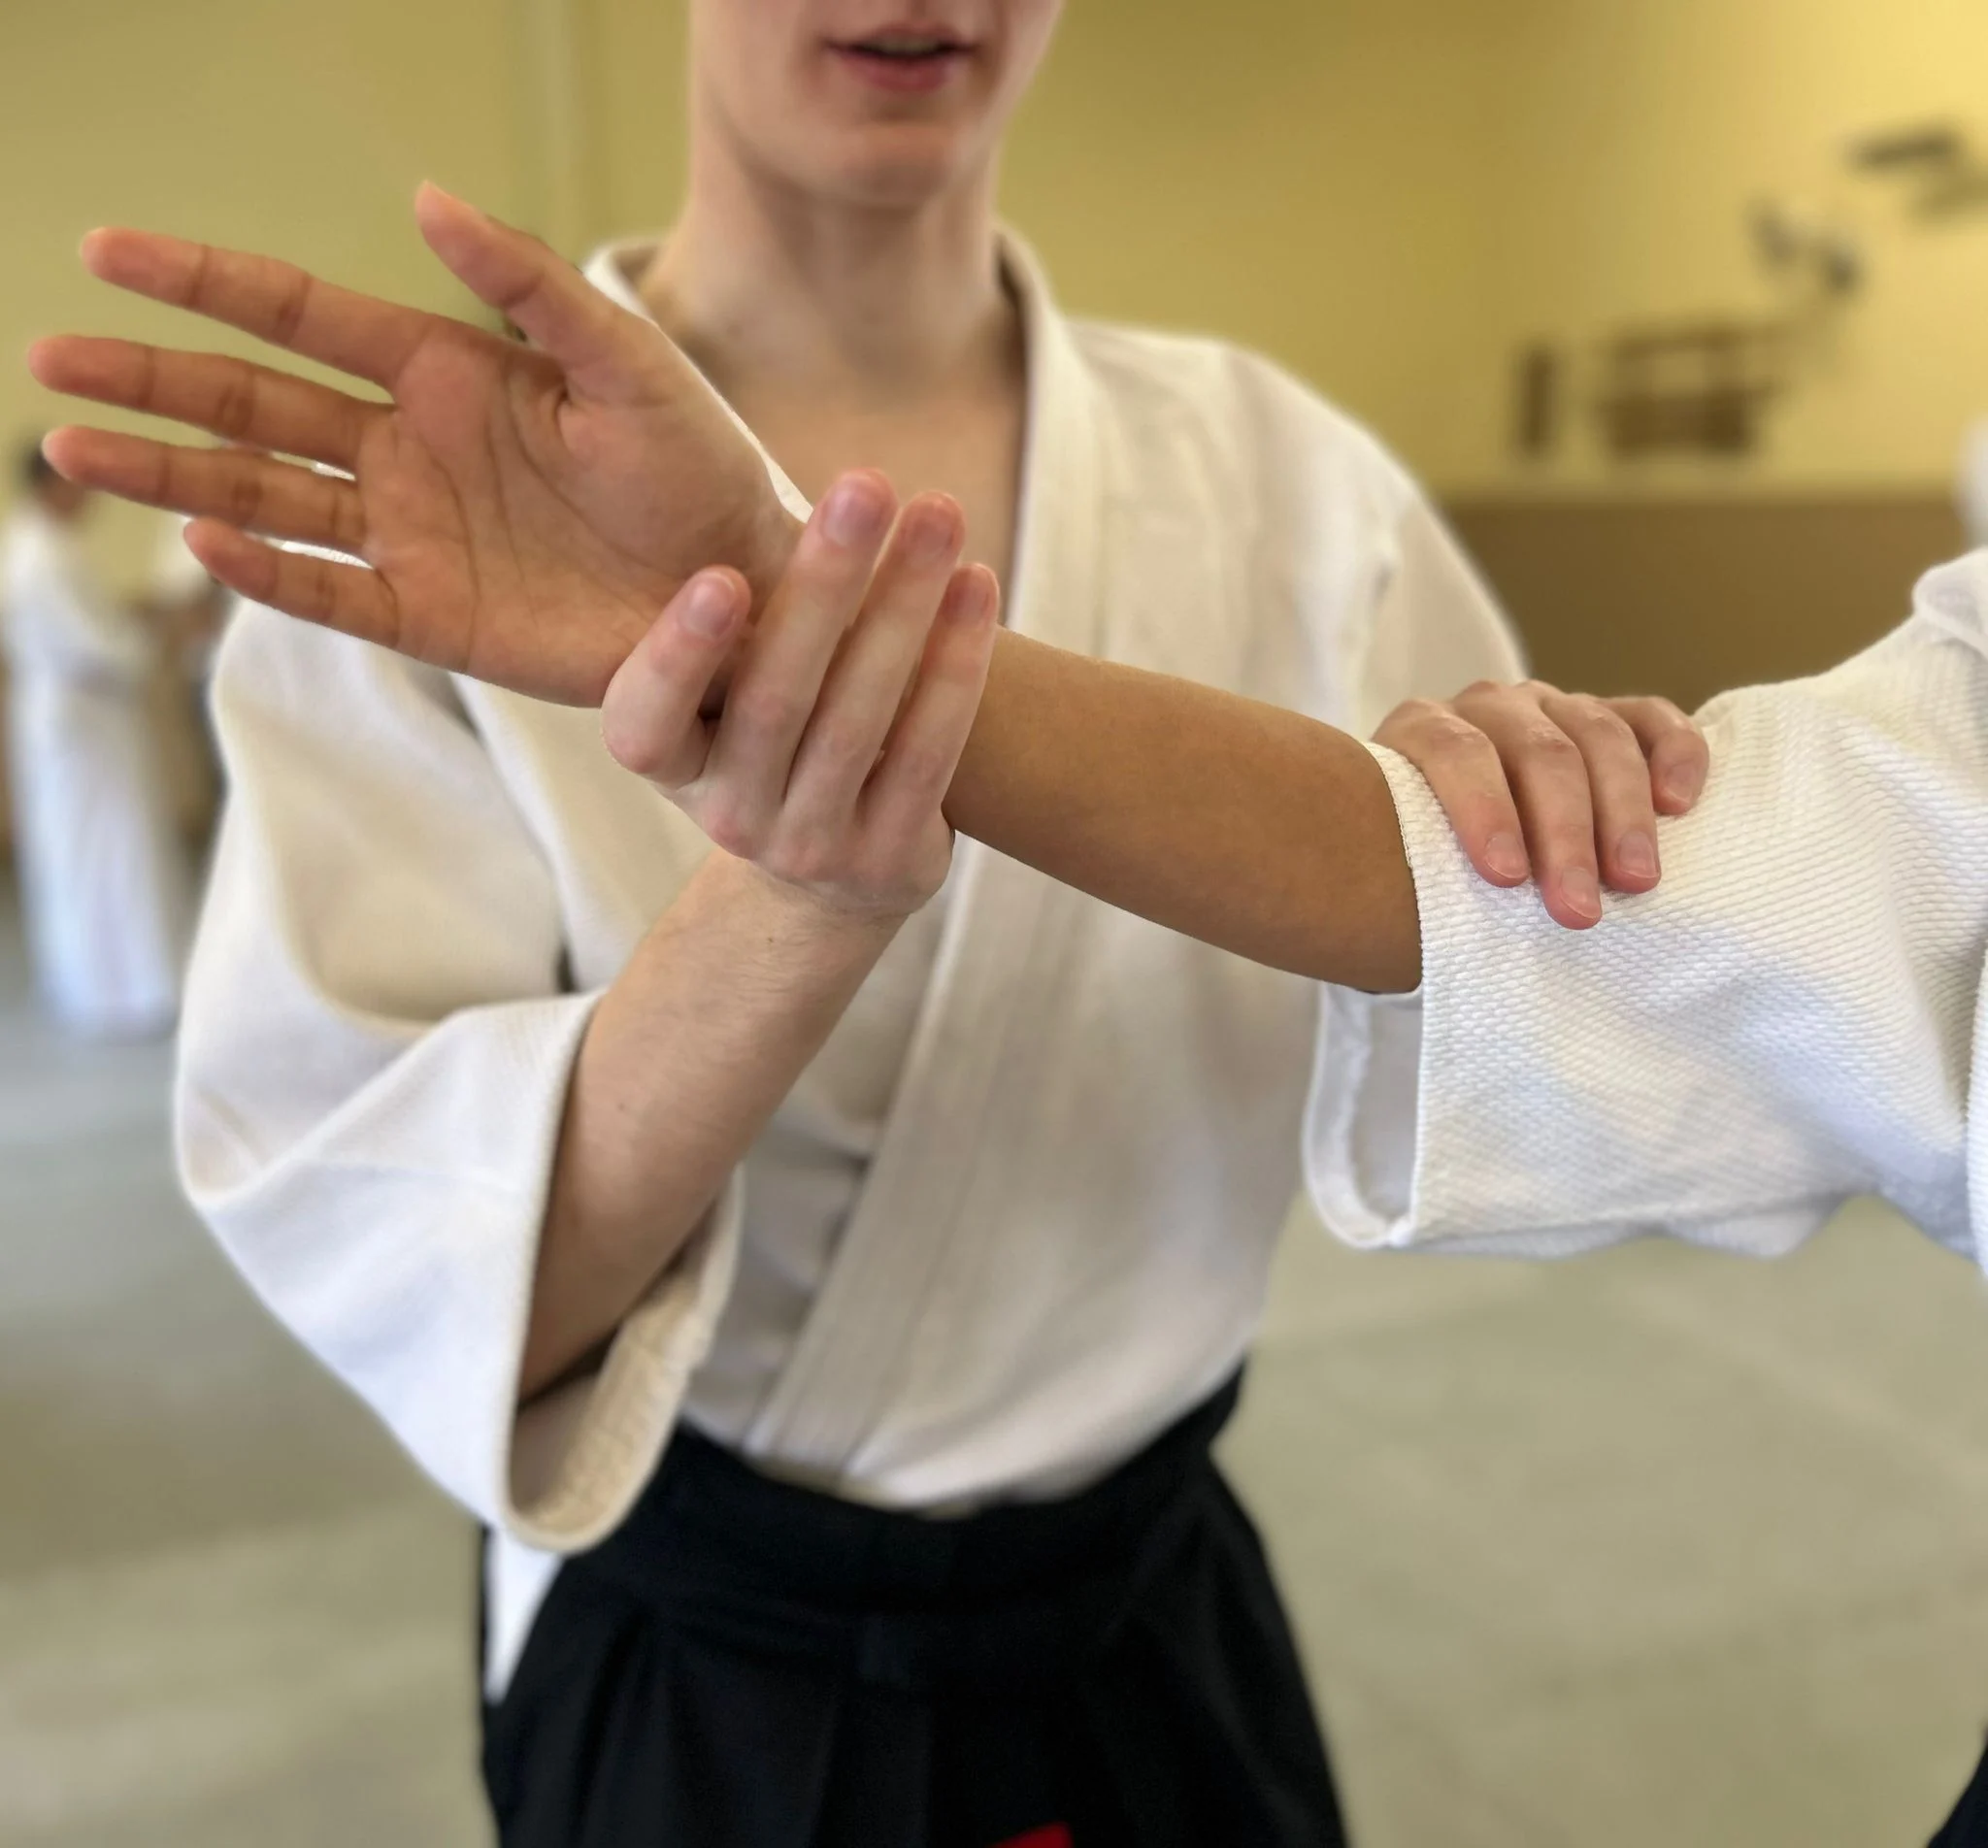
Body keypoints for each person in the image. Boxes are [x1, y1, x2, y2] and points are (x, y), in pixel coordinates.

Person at [28, 7, 1710, 1842]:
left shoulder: (1283, 484)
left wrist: (1553, 814)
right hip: (710, 1668)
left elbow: (1542, 1059)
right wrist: (797, 899)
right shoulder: (436, 521)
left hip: (1142, 1613)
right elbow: (461, 1297)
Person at [0, 443, 188, 1036]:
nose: (89, 498)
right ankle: (121, 991)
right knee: (103, 854)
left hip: (84, 722)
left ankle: (121, 982)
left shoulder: (42, 547)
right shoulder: (38, 556)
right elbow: (96, 648)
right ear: (51, 484)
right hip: (82, 724)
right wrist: (153, 635)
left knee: (103, 851)